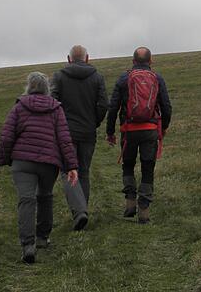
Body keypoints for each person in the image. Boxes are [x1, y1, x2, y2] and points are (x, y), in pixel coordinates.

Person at [0, 72, 79, 264]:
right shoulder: (56, 109)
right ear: (47, 88)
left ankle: (28, 245)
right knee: (45, 197)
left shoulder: (19, 107)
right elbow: (65, 139)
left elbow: (7, 136)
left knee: (26, 200)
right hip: (49, 164)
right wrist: (72, 166)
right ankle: (42, 237)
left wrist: (7, 158)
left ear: (29, 87)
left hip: (22, 162)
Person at [106, 47, 172, 224]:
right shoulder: (157, 78)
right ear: (151, 61)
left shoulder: (123, 78)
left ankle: (129, 203)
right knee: (147, 168)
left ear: (133, 61)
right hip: (150, 130)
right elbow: (166, 106)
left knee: (128, 165)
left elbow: (113, 107)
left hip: (129, 131)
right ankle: (144, 212)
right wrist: (163, 128)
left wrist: (110, 132)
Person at [51, 45, 108, 228]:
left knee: (68, 171)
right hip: (88, 132)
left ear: (68, 59)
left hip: (65, 133)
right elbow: (103, 104)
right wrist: (94, 122)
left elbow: (52, 103)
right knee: (83, 171)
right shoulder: (97, 77)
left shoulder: (58, 77)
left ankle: (79, 211)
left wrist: (58, 126)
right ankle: (83, 210)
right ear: (87, 58)